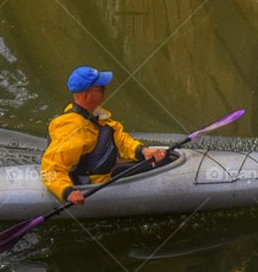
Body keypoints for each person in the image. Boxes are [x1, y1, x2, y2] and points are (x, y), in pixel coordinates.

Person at [41, 66, 168, 205]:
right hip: (92, 184)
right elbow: (51, 168)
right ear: (86, 95)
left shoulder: (95, 115)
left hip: (106, 174)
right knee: (159, 165)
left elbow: (120, 140)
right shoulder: (73, 129)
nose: (105, 89)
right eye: (100, 88)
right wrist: (67, 192)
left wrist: (142, 151)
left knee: (165, 159)